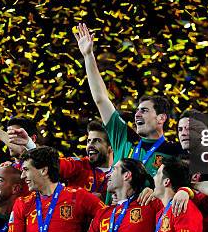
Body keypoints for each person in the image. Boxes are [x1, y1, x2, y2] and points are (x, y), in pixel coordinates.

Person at [73, 23, 183, 179]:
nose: (137, 114)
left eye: (144, 110)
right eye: (137, 110)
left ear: (161, 118)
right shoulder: (125, 137)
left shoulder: (174, 153)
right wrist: (88, 56)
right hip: (116, 204)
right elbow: (101, 99)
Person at [4, 147, 105, 232]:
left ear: (44, 170)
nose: (22, 176)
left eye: (26, 170)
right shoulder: (22, 203)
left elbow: (108, 219)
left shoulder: (78, 196)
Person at [73, 158, 161, 232]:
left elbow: (177, 205)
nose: (109, 174)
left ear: (127, 175)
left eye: (114, 169)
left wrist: (185, 191)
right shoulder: (103, 214)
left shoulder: (149, 204)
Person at [142, 158, 203, 232]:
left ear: (166, 182)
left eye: (158, 174)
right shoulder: (161, 212)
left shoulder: (183, 207)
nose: (154, 178)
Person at [59, 121, 113, 199]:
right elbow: (52, 164)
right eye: (88, 141)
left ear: (111, 147)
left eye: (97, 141)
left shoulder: (119, 174)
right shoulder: (78, 165)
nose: (90, 145)